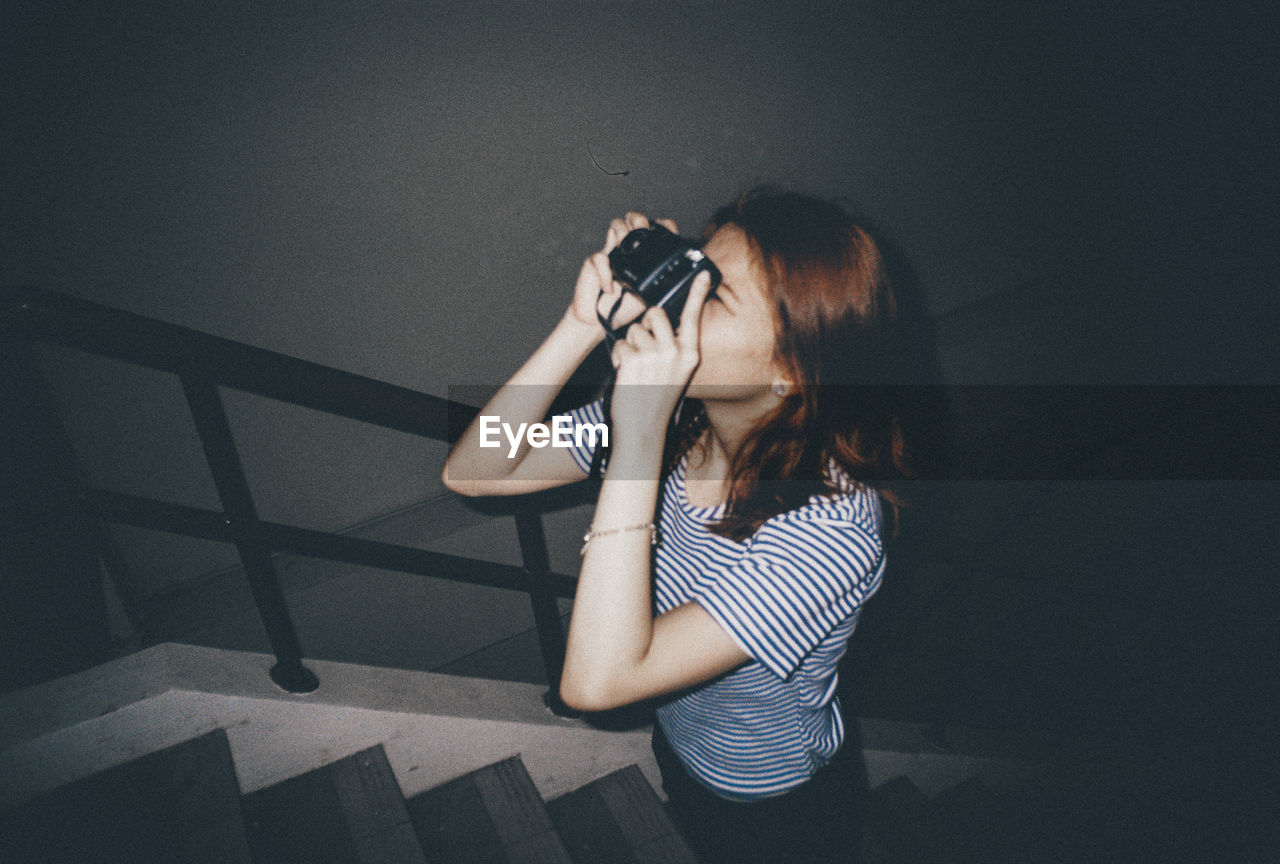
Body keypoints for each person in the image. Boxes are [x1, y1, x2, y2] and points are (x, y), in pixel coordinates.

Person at [443, 188, 910, 863]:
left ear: (790, 374)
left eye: (714, 295)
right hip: (682, 740)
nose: (680, 297)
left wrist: (636, 437)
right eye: (694, 268)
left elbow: (596, 685)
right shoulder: (680, 420)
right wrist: (581, 323)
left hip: (773, 799)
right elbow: (476, 470)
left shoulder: (832, 531)